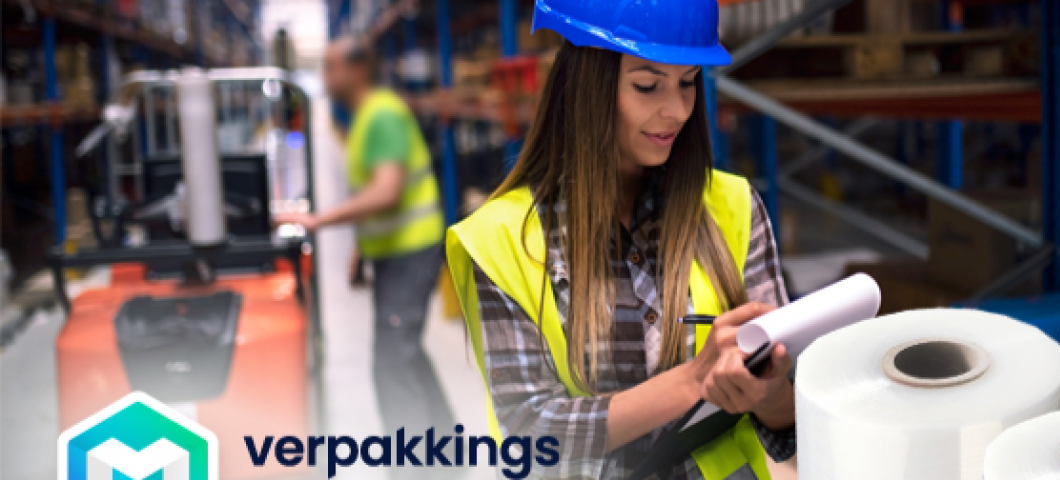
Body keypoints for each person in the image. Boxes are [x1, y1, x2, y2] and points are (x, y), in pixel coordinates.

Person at [445, 1, 796, 478]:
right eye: (647, 85)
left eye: (689, 82)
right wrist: (694, 379)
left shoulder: (733, 207)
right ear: (587, 85)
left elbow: (787, 417)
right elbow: (530, 430)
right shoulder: (500, 239)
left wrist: (771, 392)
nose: (676, 110)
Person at [276, 36, 455, 477]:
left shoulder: (382, 115)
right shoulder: (364, 117)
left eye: (331, 67)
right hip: (392, 251)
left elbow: (387, 191)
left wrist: (322, 220)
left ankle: (414, 471)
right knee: (406, 351)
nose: (325, 77)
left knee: (391, 364)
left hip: (413, 250)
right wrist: (361, 249)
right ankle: (448, 452)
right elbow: (372, 191)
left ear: (356, 71)